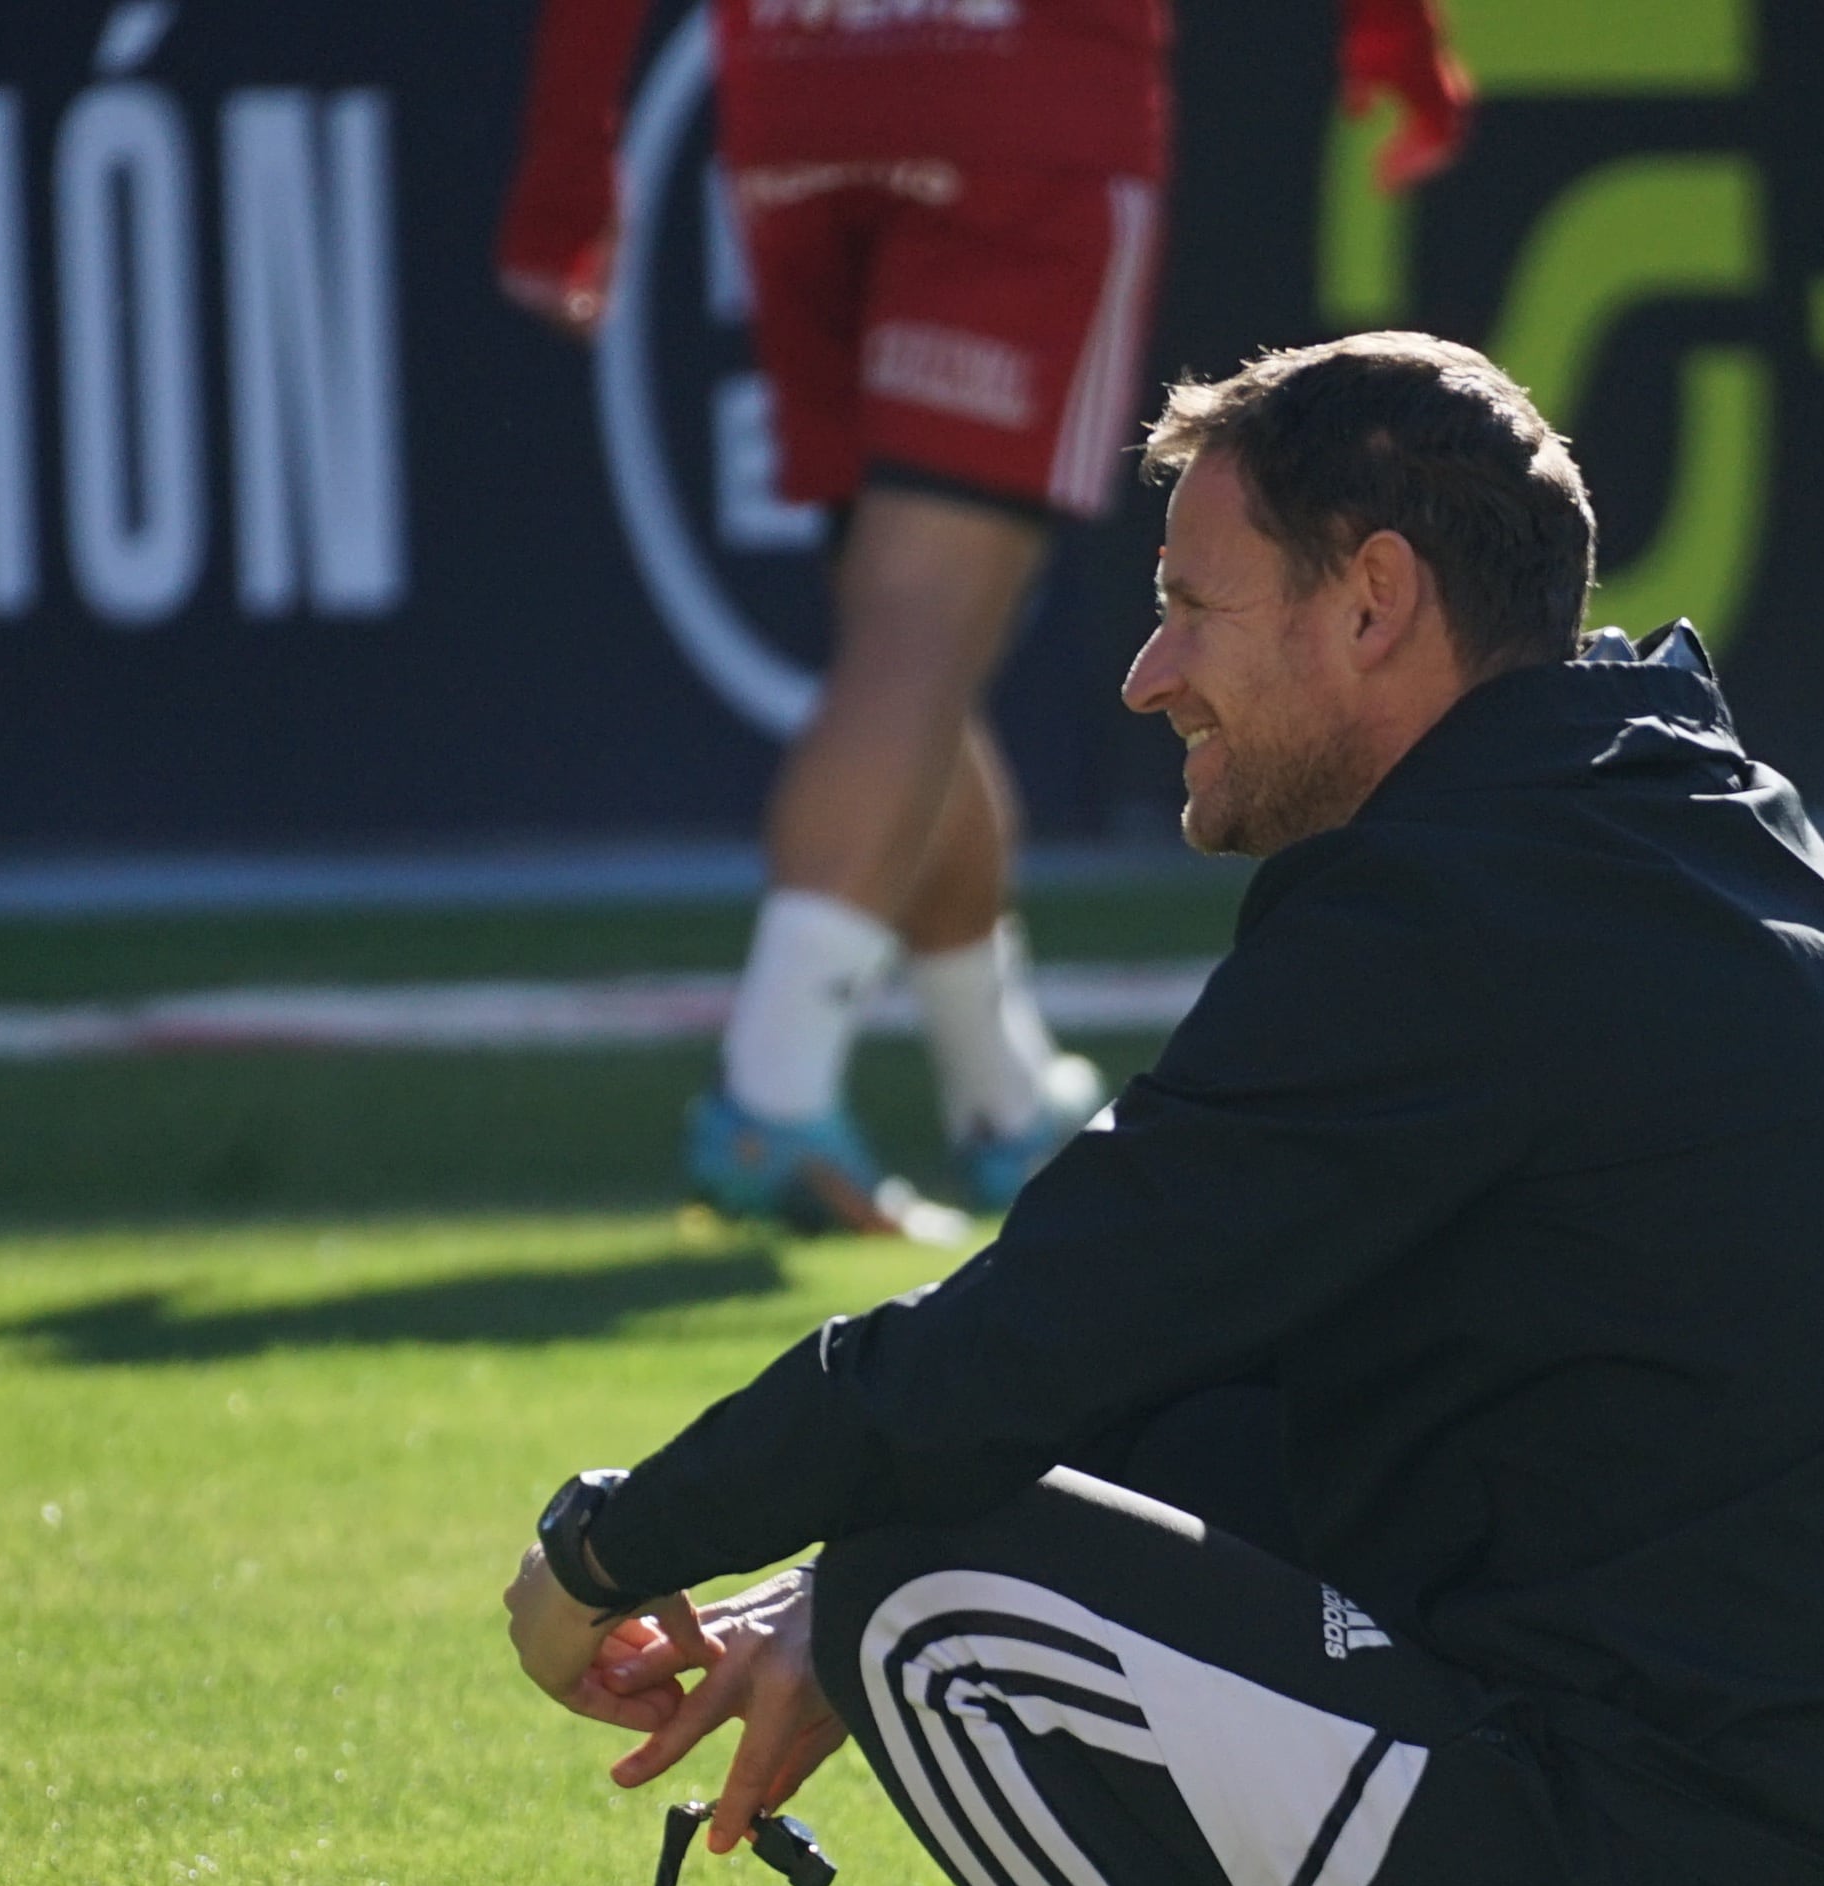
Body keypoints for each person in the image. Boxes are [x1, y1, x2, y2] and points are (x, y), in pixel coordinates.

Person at [499, 336, 1824, 1886]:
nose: (1147, 672)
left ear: (1373, 603)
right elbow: (1236, 1368)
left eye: (1190, 602)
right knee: (943, 1555)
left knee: (936, 1597)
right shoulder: (1657, 814)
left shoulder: (1456, 903)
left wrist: (612, 1543)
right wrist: (802, 1598)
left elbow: (1033, 1334)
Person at [495, 0, 1472, 1235]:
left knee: (905, 645)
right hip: (1019, 99)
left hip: (802, 99)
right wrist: (1398, 42)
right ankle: (771, 1087)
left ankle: (999, 1091)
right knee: (920, 625)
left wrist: (565, 164)